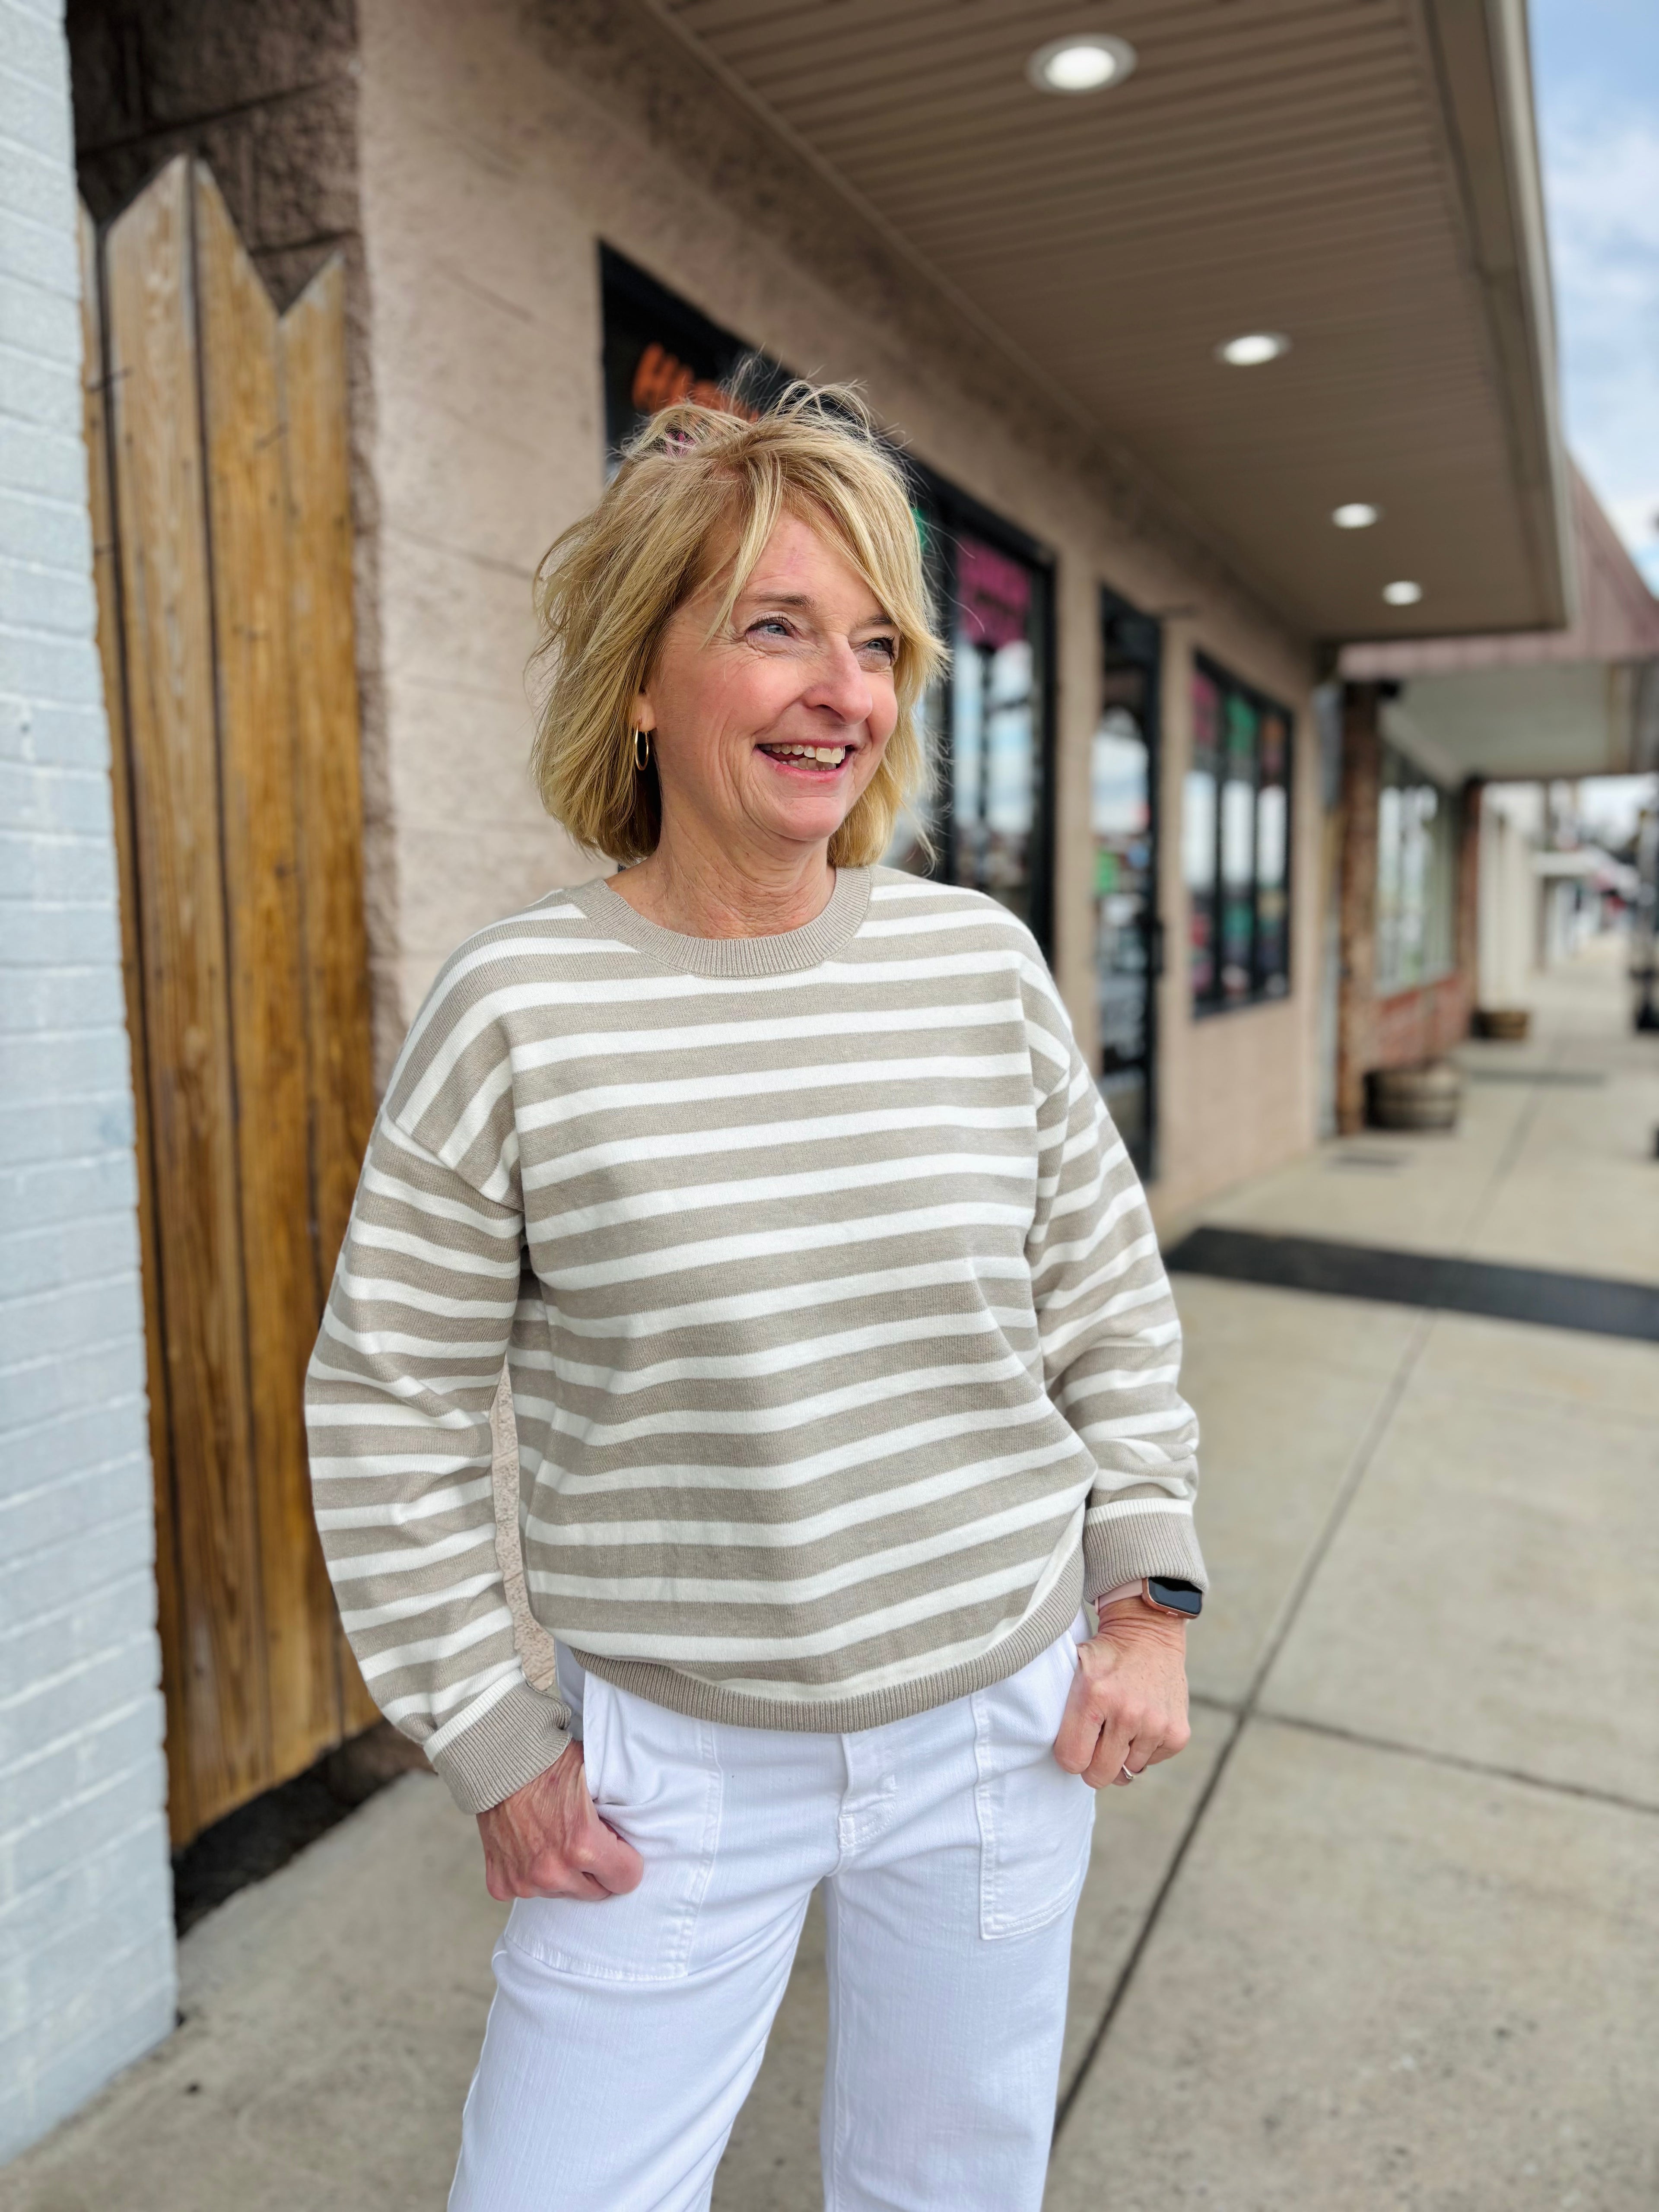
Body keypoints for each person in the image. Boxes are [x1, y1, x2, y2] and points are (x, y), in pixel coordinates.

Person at [304, 384, 1206, 2212]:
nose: (845, 693)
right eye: (777, 626)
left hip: (997, 1718)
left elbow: (1104, 1297)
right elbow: (385, 1394)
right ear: (641, 678)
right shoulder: (517, 1010)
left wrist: (1149, 1590)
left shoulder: (977, 966)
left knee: (947, 2187)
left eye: (876, 644)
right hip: (670, 1767)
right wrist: (487, 1731)